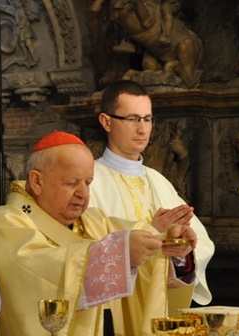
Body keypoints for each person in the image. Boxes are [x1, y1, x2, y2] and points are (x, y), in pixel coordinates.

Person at [0, 131, 197, 336]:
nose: (82, 193)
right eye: (72, 183)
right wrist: (119, 255)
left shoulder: (94, 221)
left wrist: (171, 244)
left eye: (88, 183)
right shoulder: (6, 224)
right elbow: (35, 273)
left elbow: (136, 239)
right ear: (36, 181)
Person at [89, 80, 214, 310]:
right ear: (106, 122)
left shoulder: (158, 181)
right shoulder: (89, 181)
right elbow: (85, 250)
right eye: (132, 119)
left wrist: (181, 250)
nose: (143, 129)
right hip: (117, 312)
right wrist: (152, 232)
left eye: (147, 119)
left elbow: (203, 243)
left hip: (162, 308)